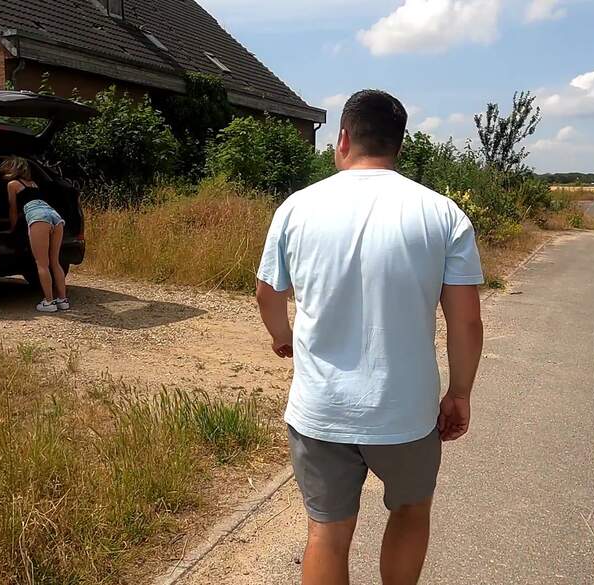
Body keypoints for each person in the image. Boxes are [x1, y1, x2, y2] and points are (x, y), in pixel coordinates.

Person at [256, 90, 485, 585]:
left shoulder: (296, 208)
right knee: (410, 510)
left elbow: (267, 293)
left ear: (342, 138)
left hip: (322, 409)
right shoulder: (442, 213)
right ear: (398, 144)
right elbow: (466, 321)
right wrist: (460, 392)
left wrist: (282, 335)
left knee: (326, 533)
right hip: (407, 411)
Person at [0, 156, 70, 313]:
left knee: (42, 263)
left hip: (38, 217)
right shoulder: (33, 184)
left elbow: (13, 209)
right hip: (55, 216)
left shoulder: (12, 185)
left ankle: (48, 302)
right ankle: (63, 299)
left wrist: (12, 228)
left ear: (12, 169)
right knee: (55, 262)